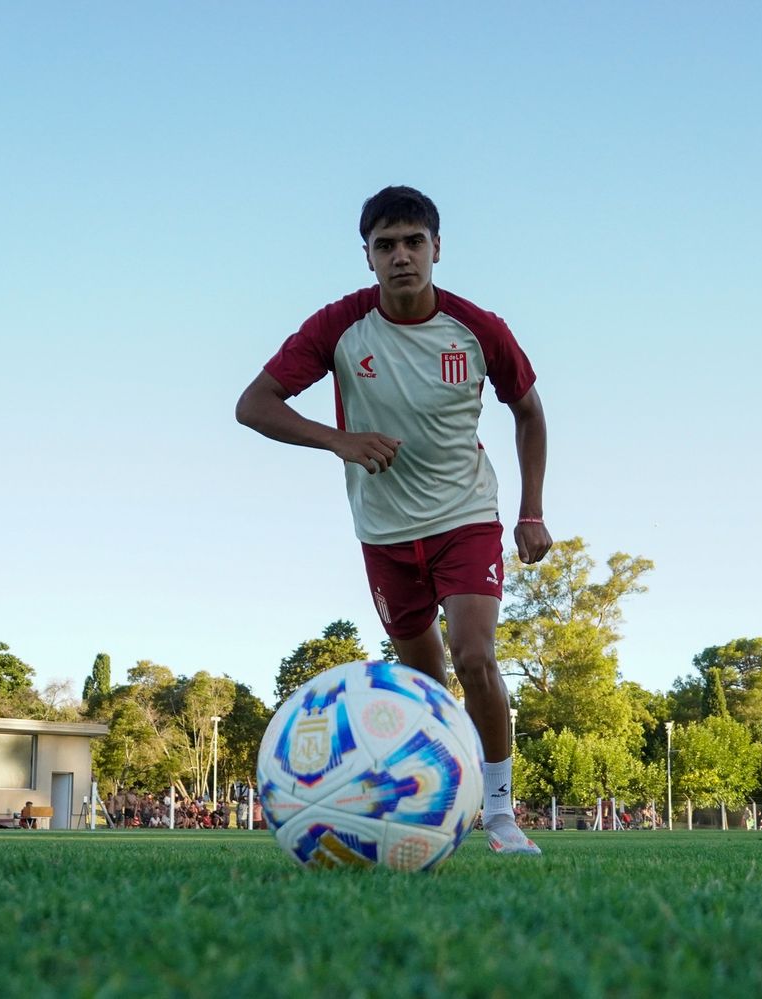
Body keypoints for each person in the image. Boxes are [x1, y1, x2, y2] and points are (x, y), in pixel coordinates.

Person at [236, 186, 550, 856]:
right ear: (368, 256)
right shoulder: (340, 326)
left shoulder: (478, 328)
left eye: (413, 242)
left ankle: (499, 813)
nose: (401, 256)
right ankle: (437, 808)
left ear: (437, 248)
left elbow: (529, 411)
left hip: (465, 515)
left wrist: (531, 511)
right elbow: (253, 404)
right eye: (386, 245)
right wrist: (338, 440)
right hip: (383, 531)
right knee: (424, 687)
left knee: (475, 656)